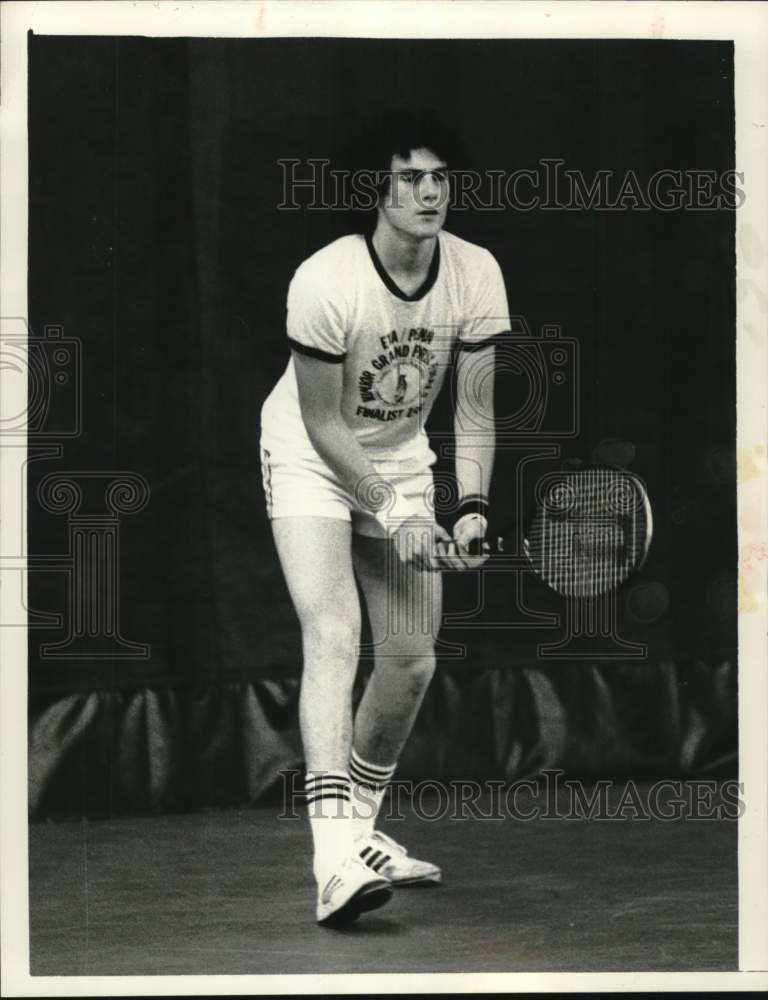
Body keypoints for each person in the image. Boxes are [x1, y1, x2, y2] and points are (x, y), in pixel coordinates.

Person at [260, 113, 510, 925]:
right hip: (308, 452)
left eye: (439, 177)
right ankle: (331, 855)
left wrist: (469, 508)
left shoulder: (475, 273)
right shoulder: (327, 280)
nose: (429, 192)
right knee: (334, 635)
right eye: (410, 177)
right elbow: (326, 425)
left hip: (401, 455)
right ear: (379, 188)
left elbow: (474, 412)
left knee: (408, 662)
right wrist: (393, 512)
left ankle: (364, 831)